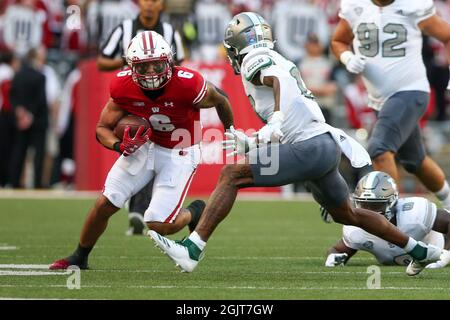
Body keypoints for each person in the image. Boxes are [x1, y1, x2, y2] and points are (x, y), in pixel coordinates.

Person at [149, 12, 443, 276]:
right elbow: (287, 99)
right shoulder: (277, 56)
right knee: (348, 214)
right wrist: (253, 142)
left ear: (239, 44)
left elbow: (276, 81)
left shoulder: (254, 58)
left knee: (231, 174)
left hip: (310, 146)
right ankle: (420, 250)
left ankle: (193, 248)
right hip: (322, 146)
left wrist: (274, 121)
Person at [49, 30, 234, 270]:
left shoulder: (188, 83)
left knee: (158, 223)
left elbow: (221, 98)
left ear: (169, 61)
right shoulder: (122, 85)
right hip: (145, 146)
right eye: (144, 67)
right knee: (106, 202)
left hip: (180, 148)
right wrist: (119, 145)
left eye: (157, 65)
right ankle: (80, 256)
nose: (151, 73)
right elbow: (102, 128)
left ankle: (195, 212)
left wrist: (230, 131)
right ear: (131, 66)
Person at [331, 0, 450, 209]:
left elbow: (447, 35)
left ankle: (391, 219)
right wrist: (347, 57)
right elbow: (338, 41)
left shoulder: (412, 5)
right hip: (380, 100)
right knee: (415, 161)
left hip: (411, 90)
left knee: (379, 148)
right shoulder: (355, 5)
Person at [97, 0, 185, 235]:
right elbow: (101, 60)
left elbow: (181, 66)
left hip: (157, 97)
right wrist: (132, 64)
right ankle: (133, 202)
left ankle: (139, 208)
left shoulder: (169, 32)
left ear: (161, 5)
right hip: (128, 95)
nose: (149, 5)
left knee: (150, 146)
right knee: (135, 144)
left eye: (154, 0)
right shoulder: (123, 28)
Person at [325, 171, 450, 269]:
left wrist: (446, 254)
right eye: (364, 205)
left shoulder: (414, 213)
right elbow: (339, 249)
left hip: (440, 245)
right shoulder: (355, 231)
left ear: (392, 202)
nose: (369, 212)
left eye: (375, 206)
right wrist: (333, 257)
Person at [9, 48, 48, 189]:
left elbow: (12, 97)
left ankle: (14, 182)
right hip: (38, 121)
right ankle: (37, 184)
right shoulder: (40, 76)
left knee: (19, 152)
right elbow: (40, 100)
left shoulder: (17, 75)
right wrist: (30, 115)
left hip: (20, 120)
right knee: (38, 154)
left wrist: (20, 112)